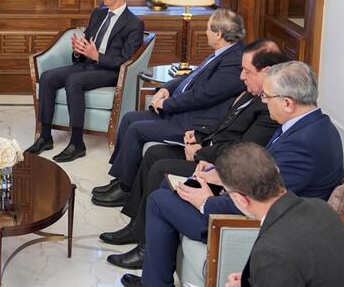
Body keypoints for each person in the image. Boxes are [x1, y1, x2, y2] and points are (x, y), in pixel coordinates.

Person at [121, 61, 344, 287]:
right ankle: (154, 278)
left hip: (242, 222)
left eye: (267, 96)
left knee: (160, 200)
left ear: (287, 103)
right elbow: (264, 176)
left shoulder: (304, 145)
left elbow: (266, 199)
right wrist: (222, 175)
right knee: (172, 186)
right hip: (259, 208)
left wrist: (207, 203)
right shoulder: (309, 126)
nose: (263, 101)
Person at [100, 39, 286, 269]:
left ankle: (146, 249)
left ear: (266, 71)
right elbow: (225, 125)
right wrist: (198, 136)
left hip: (220, 166)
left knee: (160, 167)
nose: (241, 77)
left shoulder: (268, 107)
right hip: (210, 150)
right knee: (154, 154)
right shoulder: (251, 92)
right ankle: (136, 228)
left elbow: (243, 149)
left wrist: (201, 152)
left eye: (247, 71)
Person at [95, 9, 246, 207]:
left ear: (218, 33)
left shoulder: (234, 60)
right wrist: (166, 89)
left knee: (136, 129)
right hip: (183, 112)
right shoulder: (222, 53)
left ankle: (125, 189)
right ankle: (122, 179)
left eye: (208, 29)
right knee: (129, 118)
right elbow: (190, 76)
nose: (206, 32)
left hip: (194, 121)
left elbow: (203, 96)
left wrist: (166, 104)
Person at [25, 0, 144, 163]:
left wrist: (97, 56)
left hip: (110, 71)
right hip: (87, 64)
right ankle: (45, 137)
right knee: (47, 77)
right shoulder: (98, 14)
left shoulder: (134, 23)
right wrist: (78, 50)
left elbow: (126, 60)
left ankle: (77, 143)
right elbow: (87, 43)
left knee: (74, 81)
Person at [218, 143, 344, 287]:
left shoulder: (271, 252)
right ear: (277, 170)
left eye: (226, 192)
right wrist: (260, 278)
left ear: (240, 199)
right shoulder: (321, 207)